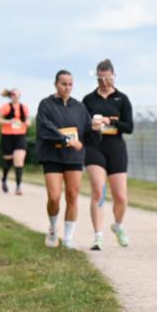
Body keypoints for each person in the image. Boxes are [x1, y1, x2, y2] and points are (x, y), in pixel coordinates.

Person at [35, 70, 101, 249]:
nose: (67, 87)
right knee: (54, 197)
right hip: (52, 157)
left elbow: (88, 136)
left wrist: (96, 128)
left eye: (70, 84)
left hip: (74, 158)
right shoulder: (46, 105)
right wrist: (66, 139)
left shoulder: (79, 107)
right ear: (56, 84)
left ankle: (69, 238)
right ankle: (53, 229)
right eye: (64, 84)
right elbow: (45, 128)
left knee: (72, 196)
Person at [81, 59, 134, 250]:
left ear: (113, 76)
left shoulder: (122, 99)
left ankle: (118, 226)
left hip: (116, 148)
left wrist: (111, 121)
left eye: (107, 79)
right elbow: (82, 126)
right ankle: (97, 235)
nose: (103, 83)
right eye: (100, 79)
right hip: (95, 147)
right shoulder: (88, 100)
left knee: (120, 196)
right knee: (98, 190)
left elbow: (129, 127)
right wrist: (92, 126)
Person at [0, 89, 30, 194]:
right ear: (10, 96)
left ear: (20, 95)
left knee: (19, 161)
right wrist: (9, 121)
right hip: (7, 136)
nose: (15, 96)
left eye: (16, 94)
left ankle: (18, 186)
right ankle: (4, 179)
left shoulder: (24, 107)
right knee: (8, 161)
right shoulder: (6, 107)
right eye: (13, 94)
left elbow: (28, 120)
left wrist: (27, 123)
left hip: (20, 136)